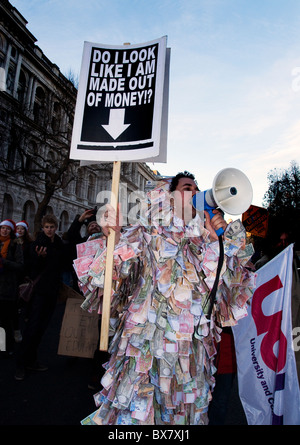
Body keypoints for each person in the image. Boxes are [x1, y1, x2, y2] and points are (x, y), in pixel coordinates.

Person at [75, 172, 256, 425]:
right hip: (144, 349)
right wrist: (111, 237)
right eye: (186, 188)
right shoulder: (147, 232)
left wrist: (220, 245)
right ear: (168, 197)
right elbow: (110, 278)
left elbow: (229, 298)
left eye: (196, 188)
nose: (193, 192)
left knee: (179, 417)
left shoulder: (209, 241)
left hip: (189, 354)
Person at [15, 214, 65, 380]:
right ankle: (20, 365)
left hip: (51, 292)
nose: (49, 230)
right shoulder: (37, 244)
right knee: (32, 329)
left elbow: (62, 262)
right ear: (42, 228)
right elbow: (29, 268)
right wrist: (39, 258)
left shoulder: (57, 242)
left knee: (41, 329)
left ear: (56, 227)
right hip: (39, 293)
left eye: (52, 227)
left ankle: (32, 360)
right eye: (47, 227)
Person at [0, 219, 24, 355]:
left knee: (5, 320)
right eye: (2, 228)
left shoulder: (15, 244)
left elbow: (20, 266)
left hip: (8, 288)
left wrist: (4, 262)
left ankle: (6, 347)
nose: (4, 230)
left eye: (7, 228)